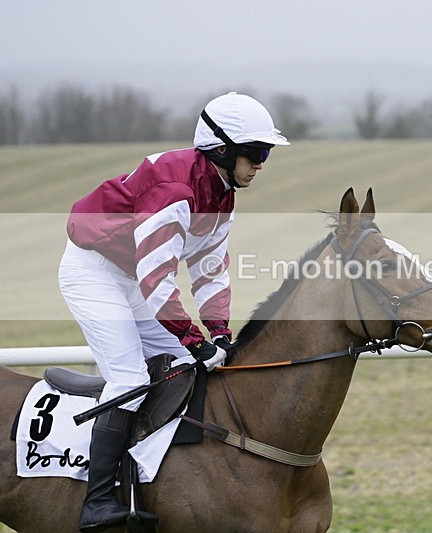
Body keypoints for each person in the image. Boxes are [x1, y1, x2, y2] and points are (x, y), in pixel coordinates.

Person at [58, 92, 289, 531]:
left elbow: (210, 270)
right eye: (257, 153)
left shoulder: (221, 192)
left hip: (130, 274)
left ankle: (160, 476)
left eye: (267, 153)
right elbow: (157, 277)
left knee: (187, 367)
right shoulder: (176, 191)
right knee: (130, 377)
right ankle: (98, 500)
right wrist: (192, 336)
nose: (262, 163)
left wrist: (218, 331)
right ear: (222, 150)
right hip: (93, 270)